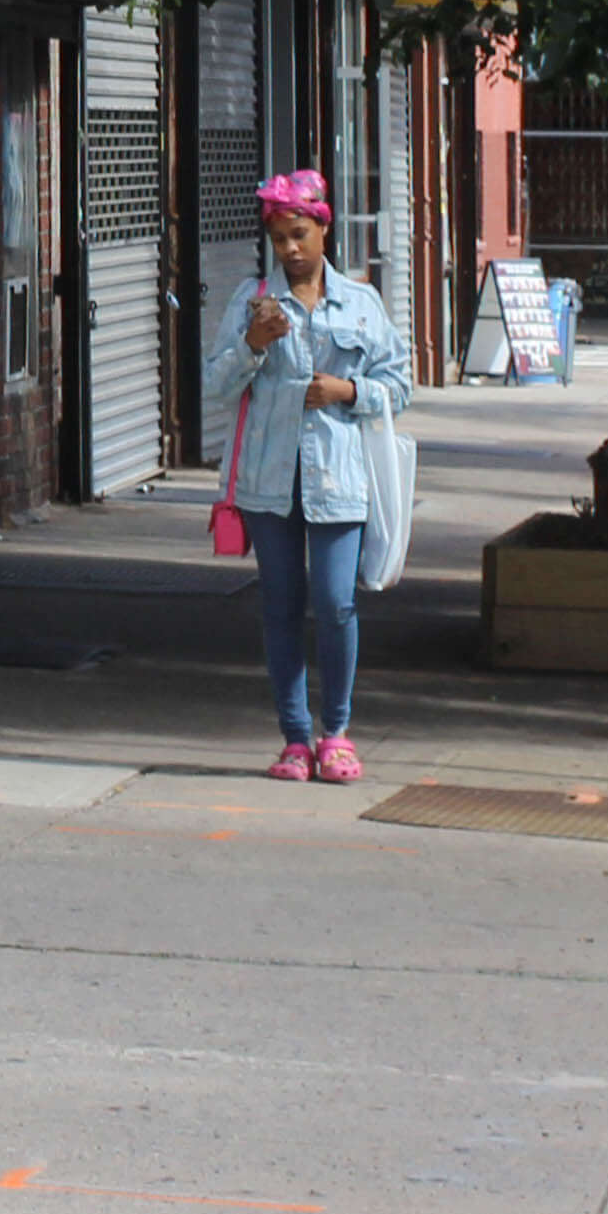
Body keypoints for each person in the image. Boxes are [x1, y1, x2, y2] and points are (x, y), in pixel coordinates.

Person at [203, 169, 411, 783]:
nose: (290, 249)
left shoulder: (363, 304)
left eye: (299, 235)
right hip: (270, 479)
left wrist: (349, 389)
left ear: (323, 229)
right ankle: (295, 738)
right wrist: (252, 344)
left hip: (341, 479)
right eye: (279, 239)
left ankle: (337, 733)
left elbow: (400, 385)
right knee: (282, 606)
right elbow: (216, 385)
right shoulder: (251, 301)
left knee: (336, 603)